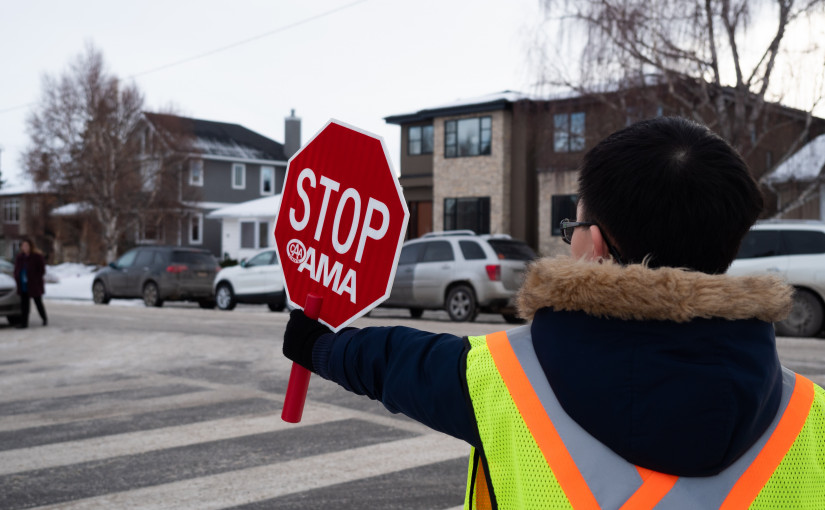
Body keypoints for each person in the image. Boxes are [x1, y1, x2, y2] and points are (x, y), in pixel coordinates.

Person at [283, 117, 825, 508]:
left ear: (596, 246)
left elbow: (400, 362)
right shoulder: (812, 418)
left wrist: (319, 345)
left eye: (573, 228)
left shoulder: (500, 381)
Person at [14, 237, 48, 329]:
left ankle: (44, 318)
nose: (25, 247)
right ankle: (24, 323)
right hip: (23, 284)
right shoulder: (20, 257)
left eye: (26, 245)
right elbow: (16, 269)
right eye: (23, 246)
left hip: (34, 284)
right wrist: (17, 276)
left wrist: (35, 277)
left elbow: (42, 270)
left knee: (38, 302)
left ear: (30, 246)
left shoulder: (37, 256)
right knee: (24, 305)